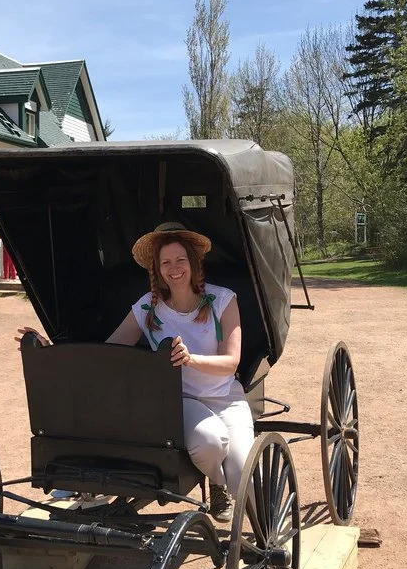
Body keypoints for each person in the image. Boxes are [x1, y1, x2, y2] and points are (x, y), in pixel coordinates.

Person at [16, 221, 251, 523]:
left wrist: (190, 359)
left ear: (193, 262)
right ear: (157, 269)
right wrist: (52, 351)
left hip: (225, 397)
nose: (174, 268)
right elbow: (108, 353)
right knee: (210, 440)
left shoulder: (222, 299)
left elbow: (231, 362)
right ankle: (217, 483)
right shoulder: (146, 308)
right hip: (179, 399)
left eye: (181, 260)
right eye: (166, 262)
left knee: (245, 476)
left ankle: (262, 540)